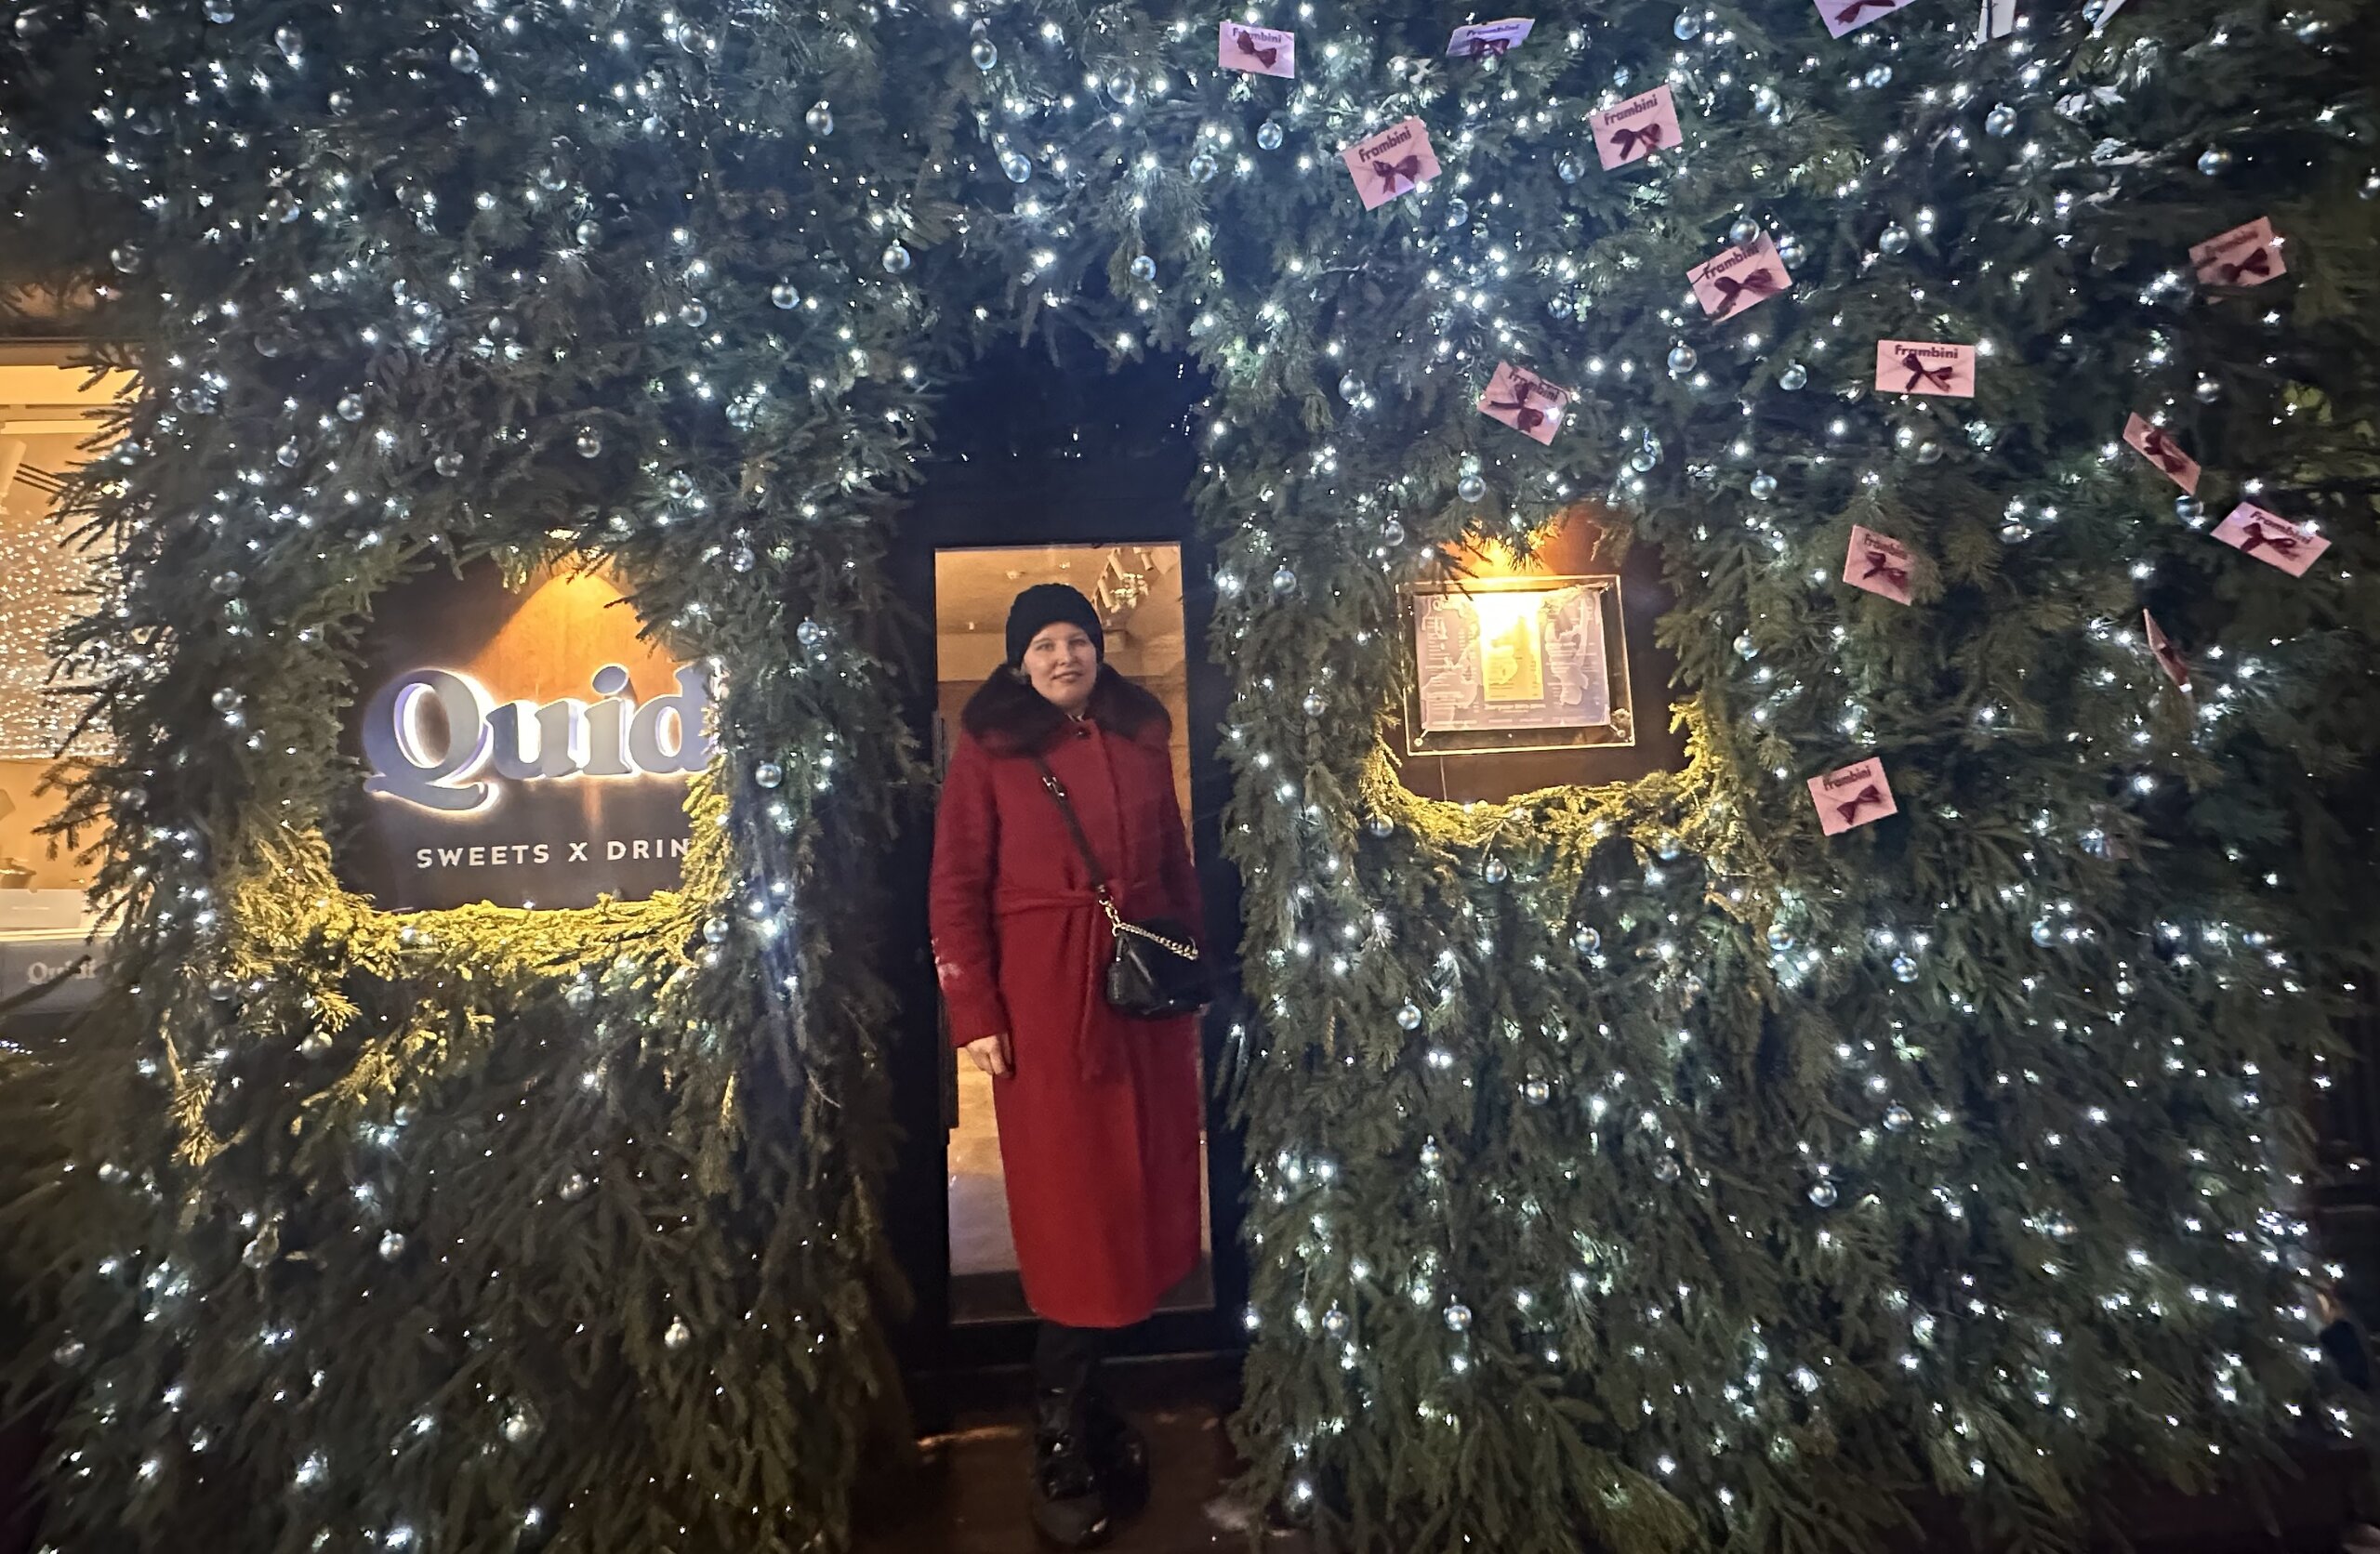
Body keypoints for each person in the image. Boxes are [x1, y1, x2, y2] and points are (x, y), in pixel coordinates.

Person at [929, 583, 1206, 1548]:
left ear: (1099, 648)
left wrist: (1190, 971)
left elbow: (1173, 864)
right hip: (1048, 1004)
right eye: (1043, 643)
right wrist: (974, 1009)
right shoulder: (989, 749)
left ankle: (1095, 1408)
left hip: (1138, 1001)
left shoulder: (1139, 735)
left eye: (1077, 639)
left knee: (1131, 1207)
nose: (1063, 656)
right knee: (1069, 1213)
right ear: (1019, 661)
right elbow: (954, 889)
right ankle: (1058, 1432)